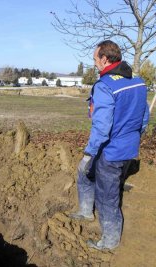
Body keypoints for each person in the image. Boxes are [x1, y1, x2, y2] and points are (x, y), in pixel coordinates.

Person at [69, 40, 150, 251]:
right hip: (129, 148)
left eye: (95, 59)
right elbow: (144, 118)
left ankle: (109, 241)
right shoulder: (139, 82)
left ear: (104, 59)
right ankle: (86, 211)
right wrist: (132, 138)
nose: (94, 64)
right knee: (84, 173)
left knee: (107, 196)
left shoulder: (105, 86)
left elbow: (102, 127)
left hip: (110, 151)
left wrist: (90, 153)